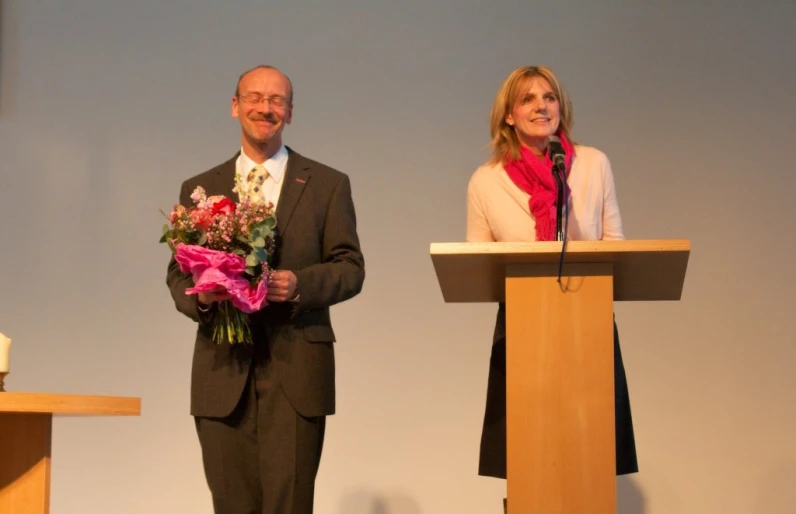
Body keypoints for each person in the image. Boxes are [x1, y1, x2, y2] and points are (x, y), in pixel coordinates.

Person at [166, 65, 365, 514]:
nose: (265, 108)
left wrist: (299, 285)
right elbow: (178, 274)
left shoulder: (327, 184)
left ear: (290, 113)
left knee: (288, 505)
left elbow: (350, 268)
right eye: (254, 98)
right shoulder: (201, 188)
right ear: (235, 106)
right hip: (222, 371)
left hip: (296, 371)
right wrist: (203, 295)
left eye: (277, 101)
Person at [466, 65, 638, 504]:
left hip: (589, 323)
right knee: (529, 453)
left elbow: (614, 244)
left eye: (549, 97)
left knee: (590, 451)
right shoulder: (487, 180)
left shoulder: (593, 164)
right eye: (527, 99)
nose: (541, 106)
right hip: (522, 327)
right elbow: (476, 263)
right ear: (508, 115)